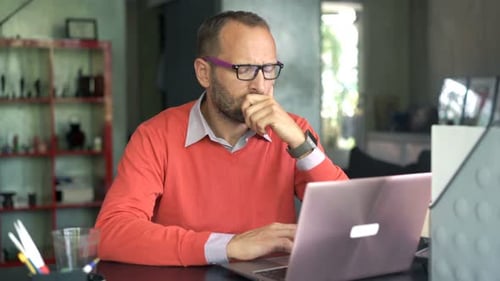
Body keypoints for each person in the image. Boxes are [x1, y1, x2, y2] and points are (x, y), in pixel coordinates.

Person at [95, 10, 348, 267]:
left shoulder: (295, 133)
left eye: (269, 68)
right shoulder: (155, 136)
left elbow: (348, 219)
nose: (261, 86)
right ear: (204, 73)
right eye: (245, 69)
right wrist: (228, 246)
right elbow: (111, 233)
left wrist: (301, 144)